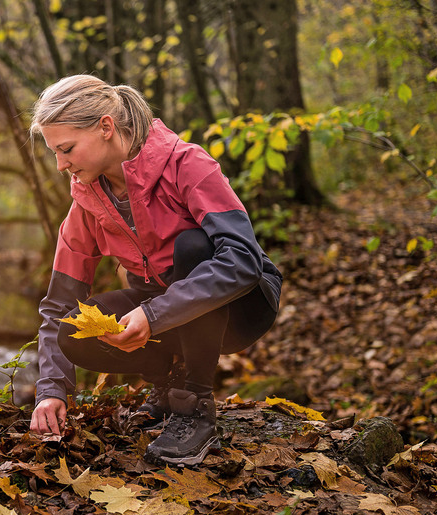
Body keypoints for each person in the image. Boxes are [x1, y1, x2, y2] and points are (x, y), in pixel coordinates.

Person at [28, 74, 282, 466]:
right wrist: (51, 391)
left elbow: (242, 259)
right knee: (74, 329)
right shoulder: (88, 202)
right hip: (164, 311)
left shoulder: (188, 163)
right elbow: (59, 303)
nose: (61, 165)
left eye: (67, 149)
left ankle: (195, 406)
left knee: (194, 247)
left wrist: (153, 315)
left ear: (106, 128)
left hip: (243, 308)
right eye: (55, 153)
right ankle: (169, 386)